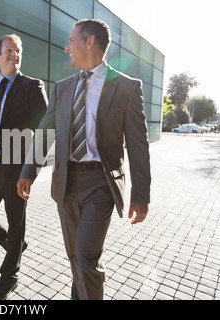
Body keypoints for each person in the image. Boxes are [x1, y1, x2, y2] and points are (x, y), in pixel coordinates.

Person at [17, 19, 151, 300]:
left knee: (86, 258)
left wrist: (141, 194)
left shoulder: (126, 87)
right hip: (65, 182)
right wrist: (29, 170)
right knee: (74, 256)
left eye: (71, 41)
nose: (67, 48)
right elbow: (45, 132)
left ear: (89, 42)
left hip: (100, 183)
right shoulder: (62, 88)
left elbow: (138, 146)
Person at [0, 34, 48, 300]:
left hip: (15, 168)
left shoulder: (31, 86)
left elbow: (45, 129)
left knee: (17, 223)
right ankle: (15, 245)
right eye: (9, 50)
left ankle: (9, 276)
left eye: (18, 51)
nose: (14, 54)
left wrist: (30, 169)